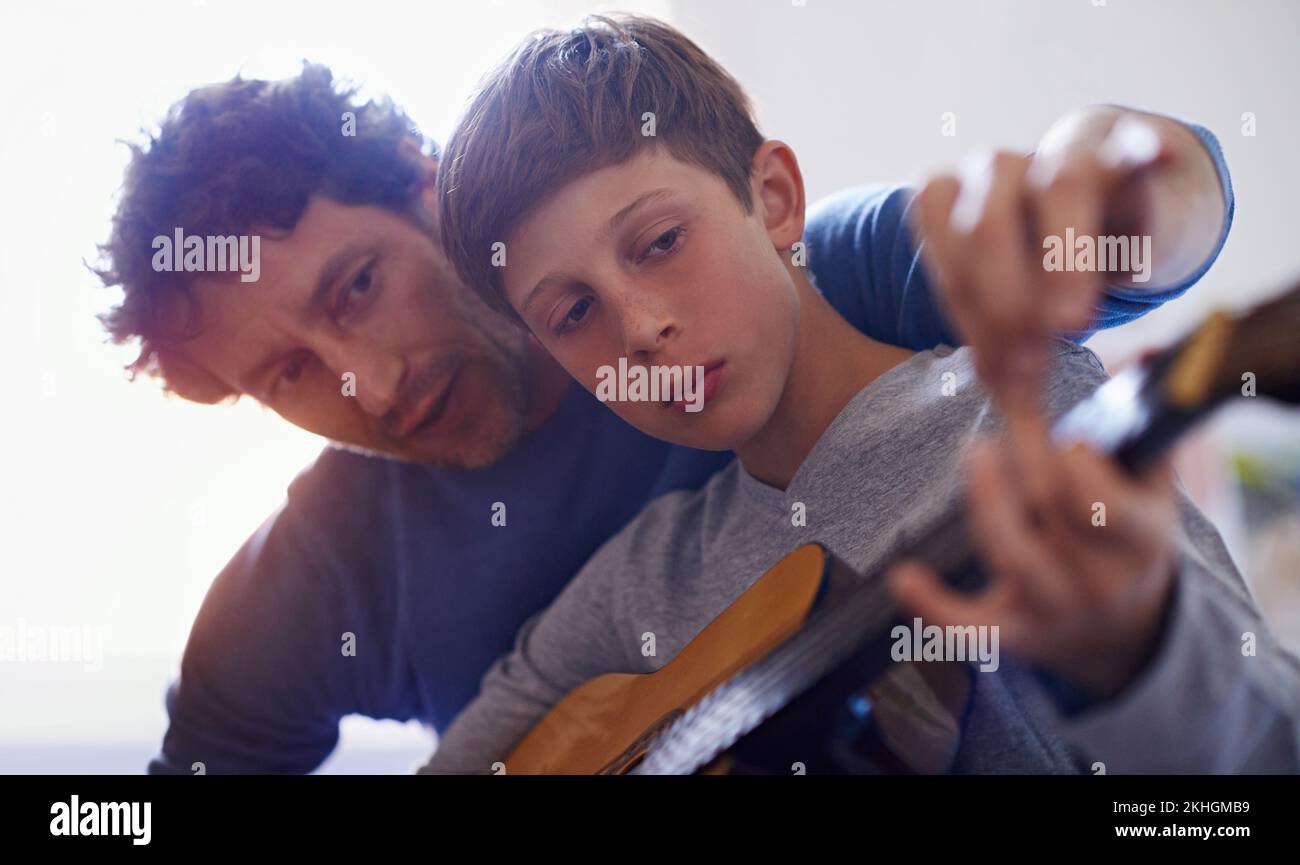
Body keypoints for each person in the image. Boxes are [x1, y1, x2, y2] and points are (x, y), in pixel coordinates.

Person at [92, 49, 1233, 771]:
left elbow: (1120, 229)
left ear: (424, 189)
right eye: (288, 375)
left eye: (356, 288)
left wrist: (1119, 171)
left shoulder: (813, 278)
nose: (373, 385)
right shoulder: (302, 587)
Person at [421, 14, 1295, 773]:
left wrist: (1147, 657)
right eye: (574, 311)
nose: (641, 328)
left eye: (659, 242)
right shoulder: (641, 582)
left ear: (772, 199)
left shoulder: (1020, 415)